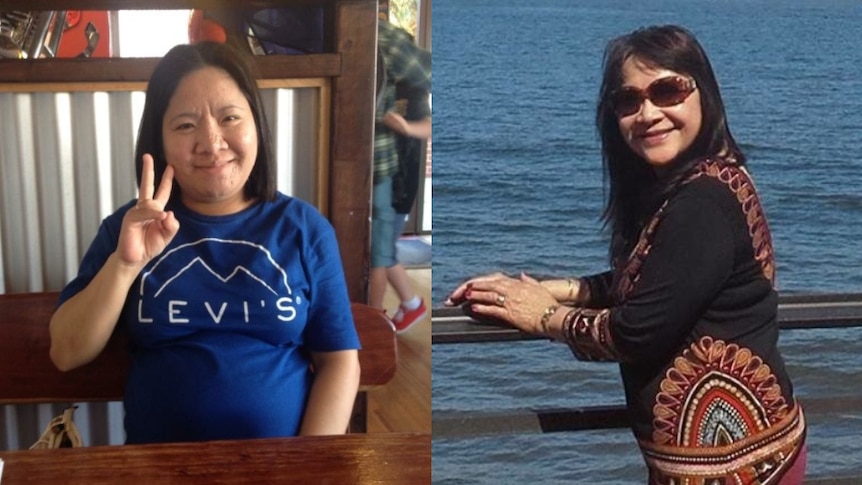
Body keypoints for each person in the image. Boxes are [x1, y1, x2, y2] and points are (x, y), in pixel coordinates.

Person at [446, 25, 807, 483]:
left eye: (668, 90)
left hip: (737, 469)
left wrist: (542, 314)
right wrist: (573, 288)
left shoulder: (701, 202)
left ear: (705, 93)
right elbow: (666, 278)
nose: (648, 114)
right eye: (628, 100)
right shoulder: (708, 179)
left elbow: (635, 333)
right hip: (743, 457)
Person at [48, 42, 361, 444]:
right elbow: (66, 352)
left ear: (256, 125)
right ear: (158, 141)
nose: (211, 143)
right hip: (156, 471)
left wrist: (307, 465)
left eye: (229, 117)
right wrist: (124, 266)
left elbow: (338, 361)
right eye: (184, 125)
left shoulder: (303, 229)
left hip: (280, 469)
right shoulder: (128, 229)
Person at [369, 18, 431, 332]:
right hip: (388, 171)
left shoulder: (414, 94)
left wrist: (406, 127)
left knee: (379, 252)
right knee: (381, 251)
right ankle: (406, 305)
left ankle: (378, 315)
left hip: (398, 178)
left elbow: (428, 126)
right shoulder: (389, 87)